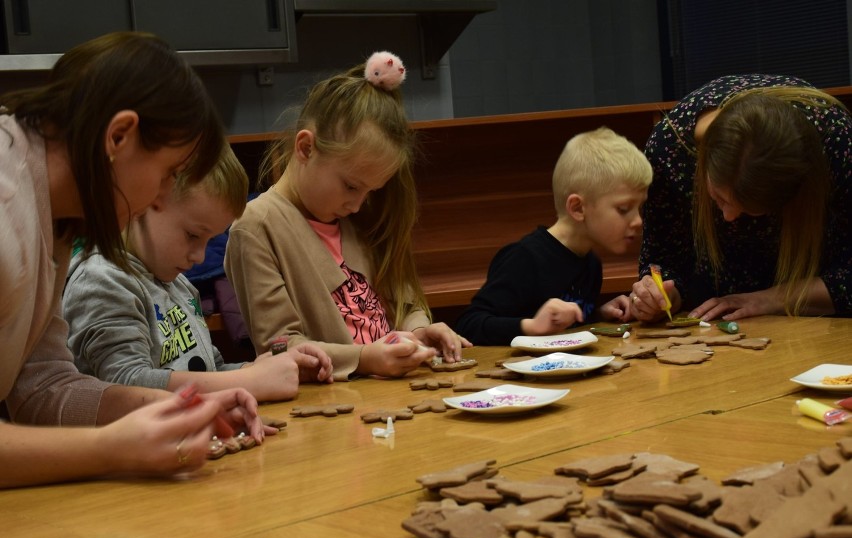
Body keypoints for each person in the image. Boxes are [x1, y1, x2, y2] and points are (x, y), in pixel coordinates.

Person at [0, 31, 274, 489]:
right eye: (168, 173)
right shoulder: (7, 212)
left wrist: (164, 408)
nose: (162, 197)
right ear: (119, 136)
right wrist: (112, 447)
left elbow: (42, 388)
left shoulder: (55, 211)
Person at [224, 51, 469, 380]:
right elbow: (281, 348)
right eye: (351, 186)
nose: (358, 204)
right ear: (306, 148)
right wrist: (366, 358)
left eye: (371, 191)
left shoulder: (356, 213)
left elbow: (404, 300)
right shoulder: (256, 226)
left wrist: (418, 331)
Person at [62, 145, 333, 403]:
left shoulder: (180, 285)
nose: (200, 257)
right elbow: (125, 385)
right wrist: (249, 380)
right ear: (141, 203)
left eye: (209, 240)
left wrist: (264, 367)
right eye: (192, 235)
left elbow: (210, 373)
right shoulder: (101, 279)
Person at [632, 74, 852, 323]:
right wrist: (662, 296)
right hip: (715, 318)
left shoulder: (836, 141)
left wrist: (770, 299)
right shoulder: (669, 150)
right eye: (720, 199)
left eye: (752, 210)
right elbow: (662, 261)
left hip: (813, 318)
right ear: (703, 160)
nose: (728, 217)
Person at [454, 127, 651, 346]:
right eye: (624, 209)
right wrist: (531, 326)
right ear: (577, 208)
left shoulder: (591, 264)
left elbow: (565, 327)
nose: (638, 221)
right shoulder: (524, 259)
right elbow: (468, 325)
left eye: (639, 208)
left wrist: (597, 314)